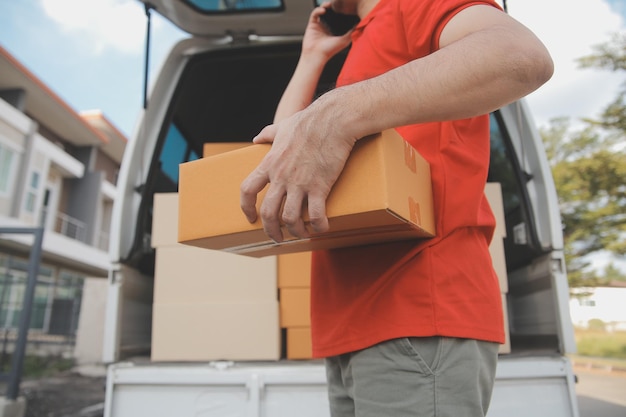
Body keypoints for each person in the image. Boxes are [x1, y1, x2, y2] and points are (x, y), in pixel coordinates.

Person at [240, 1, 553, 416]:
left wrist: (337, 113)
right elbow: (284, 148)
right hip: (350, 320)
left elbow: (518, 55)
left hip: (418, 310)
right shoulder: (366, 38)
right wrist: (311, 58)